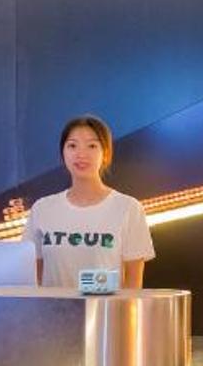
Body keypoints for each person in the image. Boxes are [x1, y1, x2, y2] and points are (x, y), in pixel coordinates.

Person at [26, 115, 153, 290]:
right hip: (52, 308)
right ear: (63, 153)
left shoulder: (128, 208)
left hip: (104, 308)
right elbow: (33, 277)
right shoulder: (42, 209)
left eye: (92, 146)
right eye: (72, 146)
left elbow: (133, 284)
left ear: (105, 153)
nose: (81, 154)